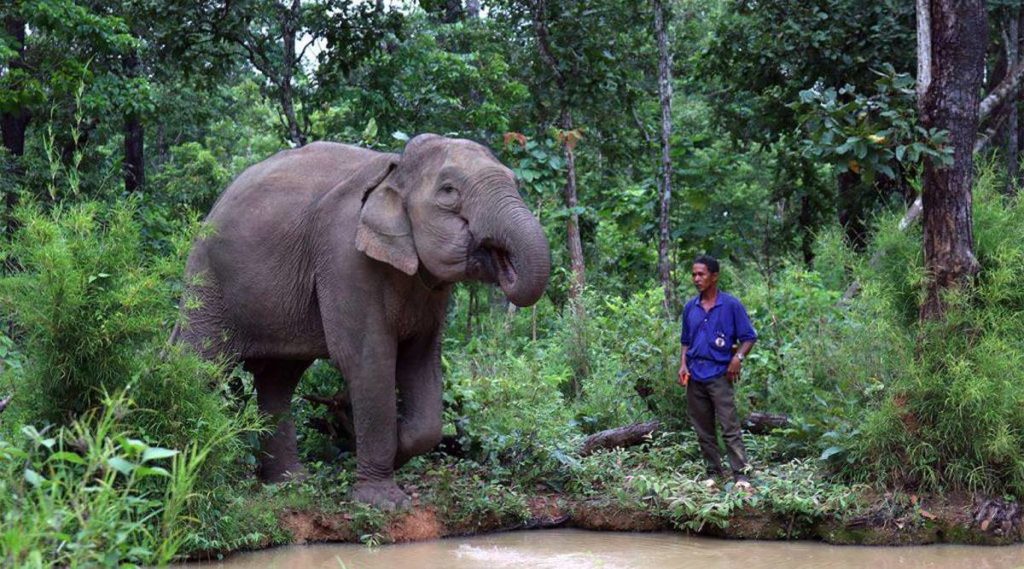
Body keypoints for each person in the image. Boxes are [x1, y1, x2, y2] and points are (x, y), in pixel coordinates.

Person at [678, 255, 757, 490]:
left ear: (714, 276)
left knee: (729, 426)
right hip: (695, 374)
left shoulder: (730, 305)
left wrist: (737, 358)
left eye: (701, 274)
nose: (696, 278)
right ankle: (713, 473)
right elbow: (685, 341)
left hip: (719, 375)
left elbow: (749, 337)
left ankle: (741, 475)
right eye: (694, 274)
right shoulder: (690, 307)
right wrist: (683, 364)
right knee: (703, 428)